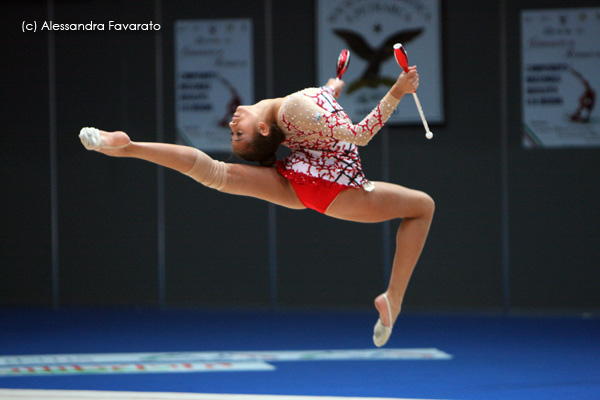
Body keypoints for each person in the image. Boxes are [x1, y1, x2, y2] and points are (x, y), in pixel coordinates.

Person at [79, 65, 434, 347]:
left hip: (305, 180)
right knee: (422, 207)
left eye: (234, 134)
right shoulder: (292, 110)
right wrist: (397, 90)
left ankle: (128, 146)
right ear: (264, 130)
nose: (232, 125)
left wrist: (329, 90)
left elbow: (316, 117)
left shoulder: (288, 110)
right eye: (238, 134)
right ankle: (395, 299)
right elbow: (360, 135)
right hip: (331, 184)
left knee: (217, 174)